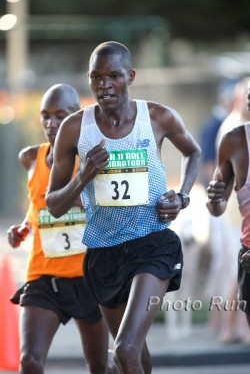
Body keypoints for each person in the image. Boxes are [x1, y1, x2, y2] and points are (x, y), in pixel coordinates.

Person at [45, 41, 201, 374]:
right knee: (136, 354)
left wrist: (182, 196)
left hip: (152, 245)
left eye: (114, 76)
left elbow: (194, 152)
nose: (105, 85)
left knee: (124, 350)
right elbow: (54, 204)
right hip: (103, 253)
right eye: (96, 77)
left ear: (130, 76)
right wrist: (83, 176)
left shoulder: (157, 116)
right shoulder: (74, 128)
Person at [7, 84, 117, 374]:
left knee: (98, 366)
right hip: (44, 276)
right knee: (29, 362)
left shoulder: (94, 159)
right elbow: (37, 206)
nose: (51, 124)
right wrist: (23, 228)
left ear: (76, 117)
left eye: (60, 115)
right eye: (46, 116)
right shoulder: (30, 158)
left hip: (88, 277)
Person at [206, 78, 250, 332]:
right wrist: (214, 200)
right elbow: (217, 205)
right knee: (223, 273)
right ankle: (225, 329)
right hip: (246, 251)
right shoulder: (234, 140)